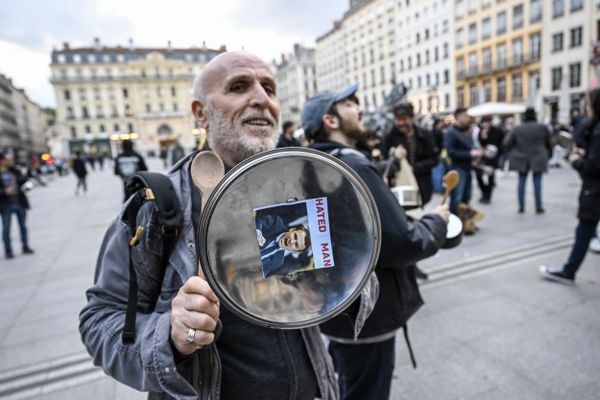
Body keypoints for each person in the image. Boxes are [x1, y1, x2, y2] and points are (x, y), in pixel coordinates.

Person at [80, 51, 377, 400]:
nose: (261, 99)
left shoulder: (304, 183)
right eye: (239, 87)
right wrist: (171, 335)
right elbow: (100, 321)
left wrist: (338, 283)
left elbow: (361, 280)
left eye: (269, 88)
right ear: (200, 113)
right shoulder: (158, 204)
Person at [302, 83, 449, 400]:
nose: (361, 107)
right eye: (351, 103)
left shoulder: (309, 164)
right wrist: (437, 220)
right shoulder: (352, 165)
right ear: (331, 120)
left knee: (348, 387)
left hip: (334, 314)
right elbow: (402, 243)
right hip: (368, 318)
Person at [540, 89, 600, 284]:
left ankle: (569, 271)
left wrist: (576, 161)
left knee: (584, 229)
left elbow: (594, 167)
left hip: (595, 191)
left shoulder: (597, 131)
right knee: (585, 229)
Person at [381, 103, 438, 205]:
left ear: (411, 118)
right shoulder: (389, 137)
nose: (402, 123)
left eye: (404, 119)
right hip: (400, 185)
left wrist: (415, 168)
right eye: (399, 119)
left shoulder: (425, 134)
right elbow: (384, 161)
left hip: (422, 183)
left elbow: (434, 159)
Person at [503, 107, 552, 213]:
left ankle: (521, 206)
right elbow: (549, 143)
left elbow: (506, 143)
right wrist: (548, 155)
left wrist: (513, 153)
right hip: (538, 157)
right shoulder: (542, 127)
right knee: (537, 183)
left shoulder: (517, 128)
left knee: (521, 182)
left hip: (521, 158)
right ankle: (538, 207)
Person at [445, 108, 481, 214]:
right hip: (458, 168)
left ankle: (464, 222)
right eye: (465, 116)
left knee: (466, 196)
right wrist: (469, 154)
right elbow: (450, 152)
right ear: (459, 117)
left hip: (467, 167)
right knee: (457, 197)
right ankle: (454, 223)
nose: (467, 118)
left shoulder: (465, 131)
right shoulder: (451, 132)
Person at [0, 153, 34, 259]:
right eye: (7, 159)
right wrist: (4, 192)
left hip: (19, 202)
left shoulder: (15, 171)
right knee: (6, 228)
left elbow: (26, 181)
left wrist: (27, 187)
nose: (9, 161)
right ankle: (8, 250)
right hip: (5, 204)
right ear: (1, 161)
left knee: (23, 226)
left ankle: (25, 246)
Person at [474, 116, 504, 204]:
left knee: (490, 177)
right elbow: (480, 143)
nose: (486, 124)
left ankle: (488, 196)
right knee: (479, 175)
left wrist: (497, 152)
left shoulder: (497, 131)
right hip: (483, 157)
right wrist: (483, 135)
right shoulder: (481, 131)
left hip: (493, 158)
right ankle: (484, 192)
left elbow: (502, 143)